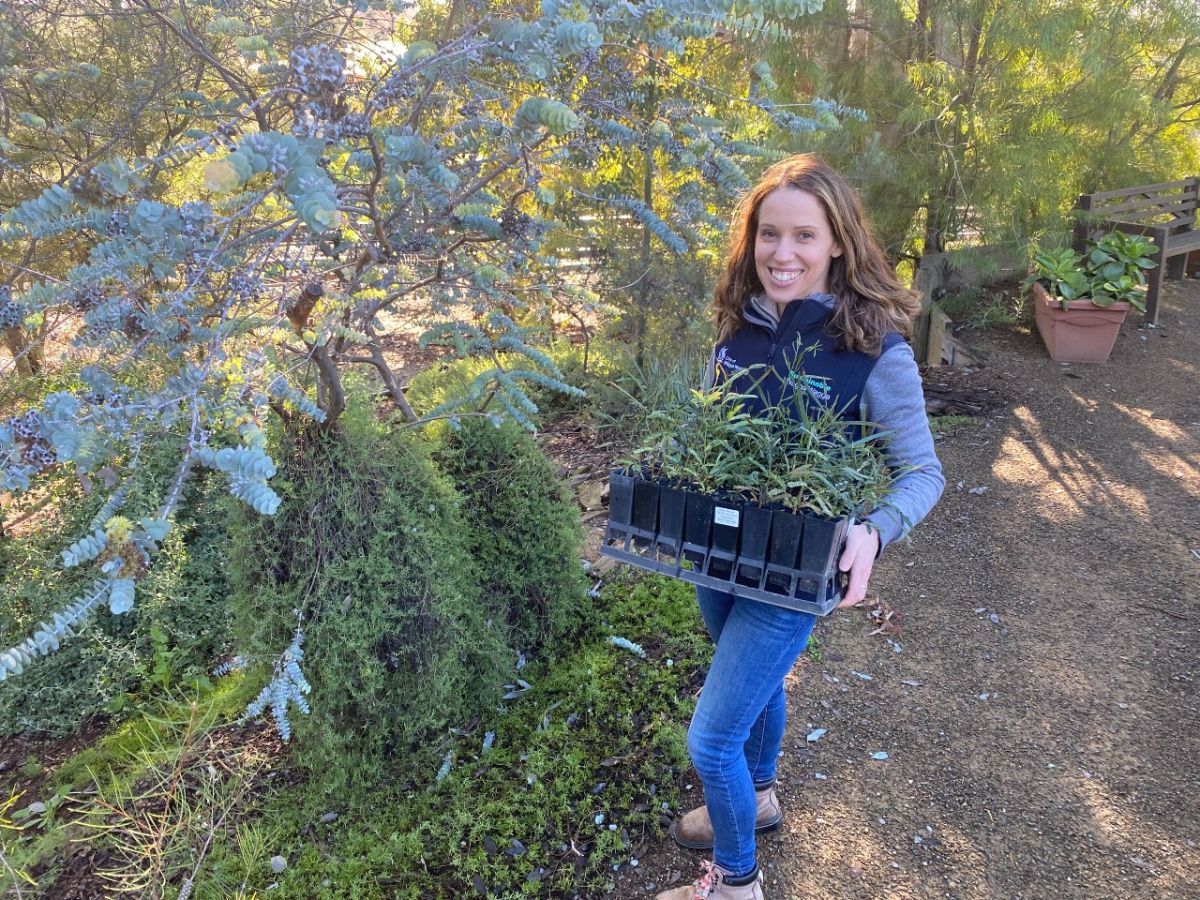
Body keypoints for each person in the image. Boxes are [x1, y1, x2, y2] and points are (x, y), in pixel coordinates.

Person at [656, 154, 945, 900]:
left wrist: (874, 530)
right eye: (768, 235)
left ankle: (736, 883)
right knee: (746, 675)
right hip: (720, 555)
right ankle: (759, 797)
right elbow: (717, 432)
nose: (782, 254)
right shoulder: (737, 330)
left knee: (709, 736)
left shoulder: (874, 351)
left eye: (804, 237)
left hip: (796, 572)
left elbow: (924, 473)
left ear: (838, 242)